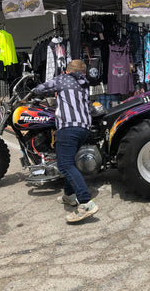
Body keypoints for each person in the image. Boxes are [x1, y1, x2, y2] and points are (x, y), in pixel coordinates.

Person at [32, 59, 99, 223]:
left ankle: (85, 202)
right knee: (70, 162)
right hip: (83, 127)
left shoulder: (63, 79)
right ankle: (69, 195)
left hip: (68, 127)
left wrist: (32, 90)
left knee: (64, 164)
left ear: (67, 71)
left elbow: (41, 88)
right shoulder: (84, 84)